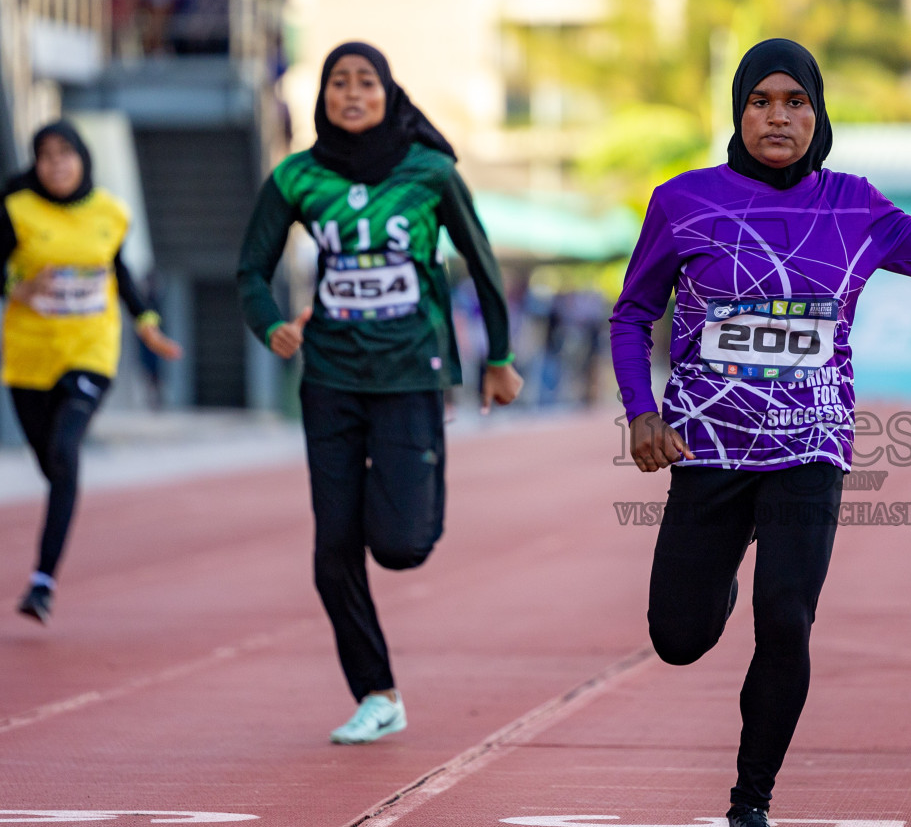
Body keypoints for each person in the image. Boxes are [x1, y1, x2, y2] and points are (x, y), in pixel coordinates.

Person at [610, 38, 911, 827]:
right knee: (679, 636)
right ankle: (721, 562)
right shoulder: (683, 202)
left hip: (808, 449)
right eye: (760, 101)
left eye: (796, 102)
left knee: (785, 618)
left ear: (818, 116)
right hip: (707, 450)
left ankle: (753, 803)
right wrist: (642, 410)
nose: (777, 116)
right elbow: (630, 313)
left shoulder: (853, 204)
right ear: (738, 112)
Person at [237, 42, 523, 744]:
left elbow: (483, 265)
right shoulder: (297, 177)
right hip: (330, 375)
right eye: (339, 82)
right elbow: (250, 270)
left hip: (410, 372)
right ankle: (378, 693)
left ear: (389, 93)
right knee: (332, 548)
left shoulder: (429, 172)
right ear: (323, 97)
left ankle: (405, 500)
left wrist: (501, 357)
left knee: (399, 547)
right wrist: (270, 323)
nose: (352, 92)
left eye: (366, 81)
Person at [2, 120, 183, 623]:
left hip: (91, 351)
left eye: (66, 154)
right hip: (30, 356)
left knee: (65, 450)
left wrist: (146, 323)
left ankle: (42, 582)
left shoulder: (109, 212)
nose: (57, 164)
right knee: (52, 464)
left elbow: (120, 272)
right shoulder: (16, 212)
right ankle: (47, 562)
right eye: (46, 156)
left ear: (83, 159)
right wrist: (16, 285)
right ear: (35, 165)